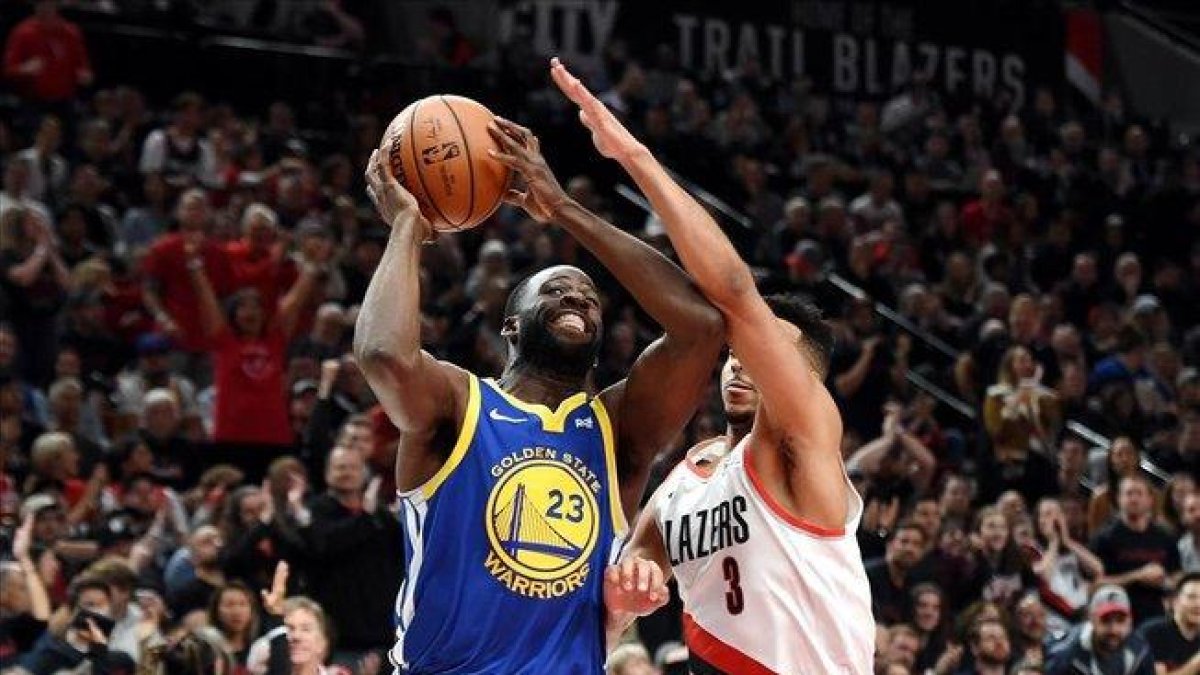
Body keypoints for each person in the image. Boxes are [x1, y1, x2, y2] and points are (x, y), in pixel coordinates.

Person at [356, 85, 724, 671]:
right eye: (554, 290)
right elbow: (384, 355)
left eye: (589, 297)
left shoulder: (617, 429)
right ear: (512, 325)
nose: (576, 297)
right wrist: (407, 226)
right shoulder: (458, 403)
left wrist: (565, 210)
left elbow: (701, 327)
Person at [545, 57, 872, 673]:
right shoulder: (684, 482)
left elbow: (734, 295)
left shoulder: (803, 442)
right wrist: (630, 590)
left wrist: (632, 156)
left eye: (764, 354)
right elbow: (630, 578)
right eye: (735, 354)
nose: (742, 363)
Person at [1045, 585, 1155, 675]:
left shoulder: (1140, 650)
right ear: (1091, 619)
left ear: (1130, 620)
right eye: (1105, 620)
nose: (1114, 629)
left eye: (1120, 621)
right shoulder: (1066, 653)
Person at [1136, 572, 1200, 675]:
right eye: (1191, 597)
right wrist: (1197, 661)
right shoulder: (1153, 632)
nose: (1198, 604)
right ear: (1175, 601)